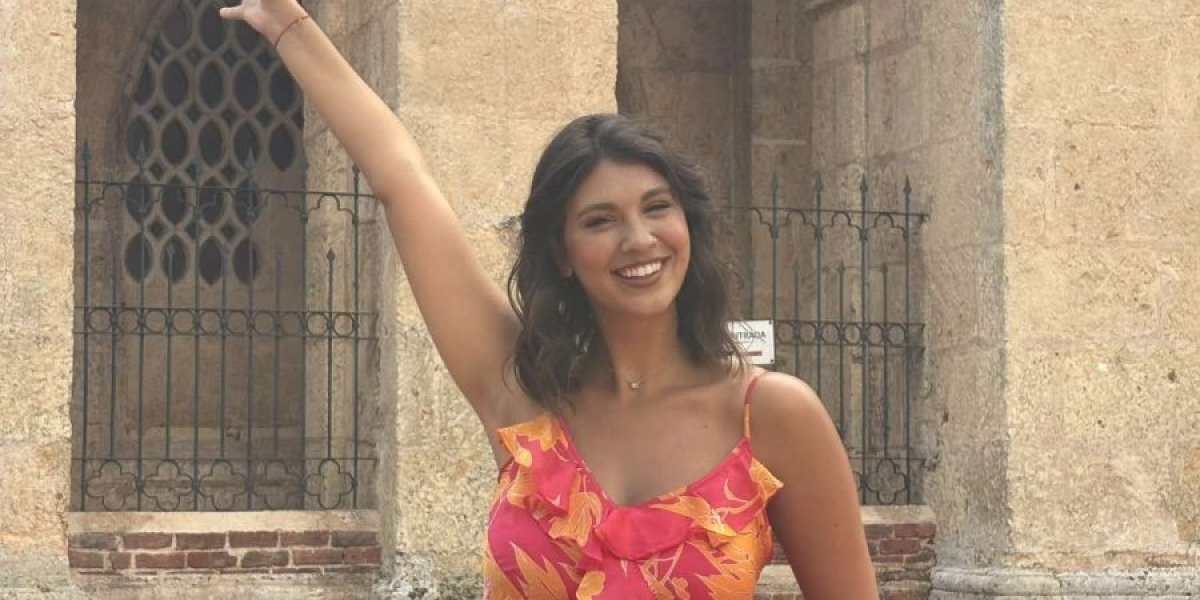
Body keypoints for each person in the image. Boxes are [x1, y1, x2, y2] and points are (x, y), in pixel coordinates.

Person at [221, 2, 879, 598]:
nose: (639, 239)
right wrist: (286, 24)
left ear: (688, 226)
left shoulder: (770, 416)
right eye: (600, 220)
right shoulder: (522, 392)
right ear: (562, 253)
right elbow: (401, 177)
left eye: (657, 208)